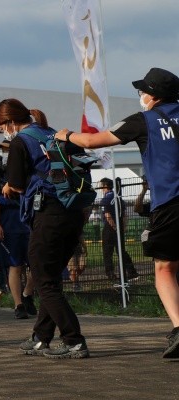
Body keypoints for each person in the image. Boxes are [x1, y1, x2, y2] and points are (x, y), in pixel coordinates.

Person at [54, 67, 179, 358]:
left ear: (154, 95)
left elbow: (91, 141)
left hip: (170, 203)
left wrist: (67, 134)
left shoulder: (144, 120)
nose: (141, 95)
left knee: (165, 269)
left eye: (143, 91)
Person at [0, 98, 89, 359]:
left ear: (9, 122)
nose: (4, 133)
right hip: (72, 211)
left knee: (43, 280)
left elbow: (18, 184)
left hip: (48, 215)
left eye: (2, 127)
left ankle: (74, 340)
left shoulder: (21, 141)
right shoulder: (48, 132)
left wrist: (8, 187)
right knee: (51, 278)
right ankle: (41, 338)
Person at [0, 141, 35, 318]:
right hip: (9, 221)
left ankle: (27, 294)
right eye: (4, 150)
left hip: (29, 220)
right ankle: (18, 305)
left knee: (36, 264)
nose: (6, 152)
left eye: (8, 149)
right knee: (15, 265)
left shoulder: (29, 167)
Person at [99, 178, 139, 281]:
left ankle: (111, 273)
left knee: (107, 252)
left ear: (105, 186)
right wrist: (123, 227)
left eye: (101, 186)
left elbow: (107, 216)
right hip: (119, 226)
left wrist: (114, 227)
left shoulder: (106, 199)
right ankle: (131, 271)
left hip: (109, 228)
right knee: (121, 250)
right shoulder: (119, 198)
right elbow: (126, 215)